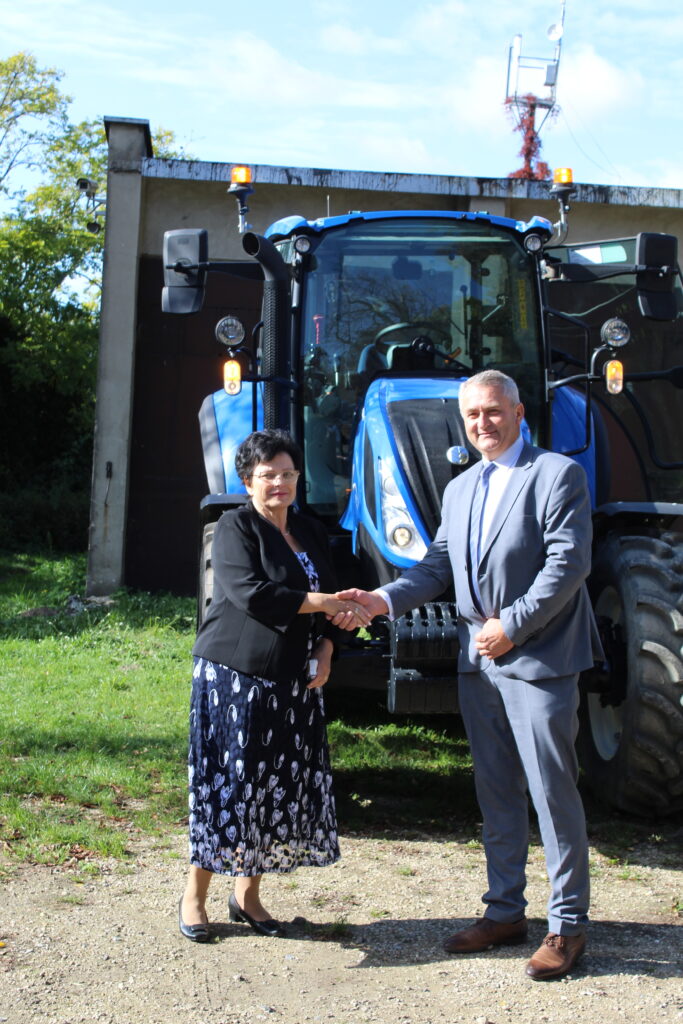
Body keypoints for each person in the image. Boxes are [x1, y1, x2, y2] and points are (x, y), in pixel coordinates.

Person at [336, 369, 603, 980]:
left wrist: (513, 625)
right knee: (496, 789)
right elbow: (437, 568)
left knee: (552, 792)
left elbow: (568, 564)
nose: (483, 423)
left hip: (539, 658)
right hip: (478, 662)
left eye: (493, 411)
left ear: (518, 413)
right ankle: (505, 912)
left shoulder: (557, 474)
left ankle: (567, 926)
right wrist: (380, 600)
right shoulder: (460, 489)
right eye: (473, 415)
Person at [179, 429, 368, 942]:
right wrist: (324, 603)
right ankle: (194, 897)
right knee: (229, 788)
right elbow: (251, 593)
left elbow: (330, 596)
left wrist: (327, 646)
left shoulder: (308, 529)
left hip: (292, 680)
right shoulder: (235, 527)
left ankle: (247, 896)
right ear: (248, 481)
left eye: (288, 473)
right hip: (235, 676)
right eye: (268, 475)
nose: (279, 483)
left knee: (270, 789)